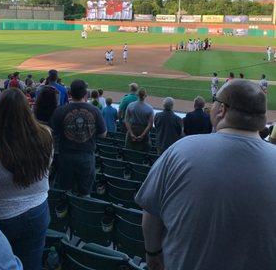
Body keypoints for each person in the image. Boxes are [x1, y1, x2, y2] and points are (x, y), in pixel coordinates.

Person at [135, 80, 276, 270]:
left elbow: (151, 214)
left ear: (222, 110)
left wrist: (152, 255)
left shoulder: (180, 150)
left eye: (215, 101)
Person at [0, 88, 53, 270]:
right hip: (39, 210)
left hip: (2, 220)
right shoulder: (47, 134)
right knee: (33, 262)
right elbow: (45, 169)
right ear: (28, 109)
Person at [51, 79, 106, 195]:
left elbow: (53, 134)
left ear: (70, 93)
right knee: (85, 192)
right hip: (87, 156)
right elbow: (103, 134)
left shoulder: (60, 111)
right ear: (86, 94)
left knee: (65, 191)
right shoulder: (95, 110)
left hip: (65, 156)